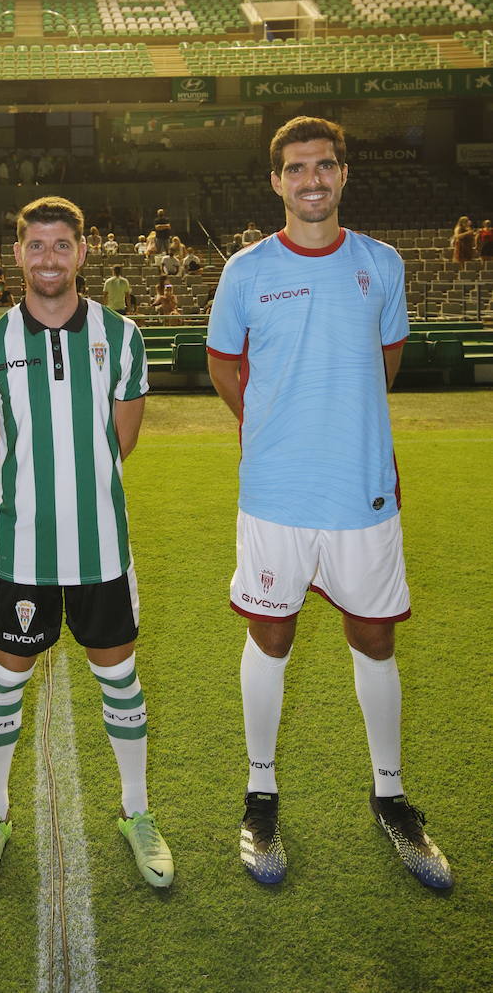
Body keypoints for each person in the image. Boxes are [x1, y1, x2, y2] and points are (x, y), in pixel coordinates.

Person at [206, 115, 451, 892]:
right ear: (275, 181)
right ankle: (261, 794)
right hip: (275, 492)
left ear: (343, 174)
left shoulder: (382, 263)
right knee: (270, 633)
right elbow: (223, 367)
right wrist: (276, 429)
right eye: (296, 168)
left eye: (324, 165)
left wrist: (341, 424)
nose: (311, 179)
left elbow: (385, 361)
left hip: (360, 487)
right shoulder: (245, 271)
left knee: (374, 636)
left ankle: (390, 796)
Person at [0, 196, 173, 895]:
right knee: (5, 682)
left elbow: (122, 441)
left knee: (120, 678)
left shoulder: (124, 336)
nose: (48, 258)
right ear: (18, 255)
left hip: (101, 547)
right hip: (21, 550)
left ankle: (137, 811)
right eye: (36, 245)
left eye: (61, 245)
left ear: (82, 252)